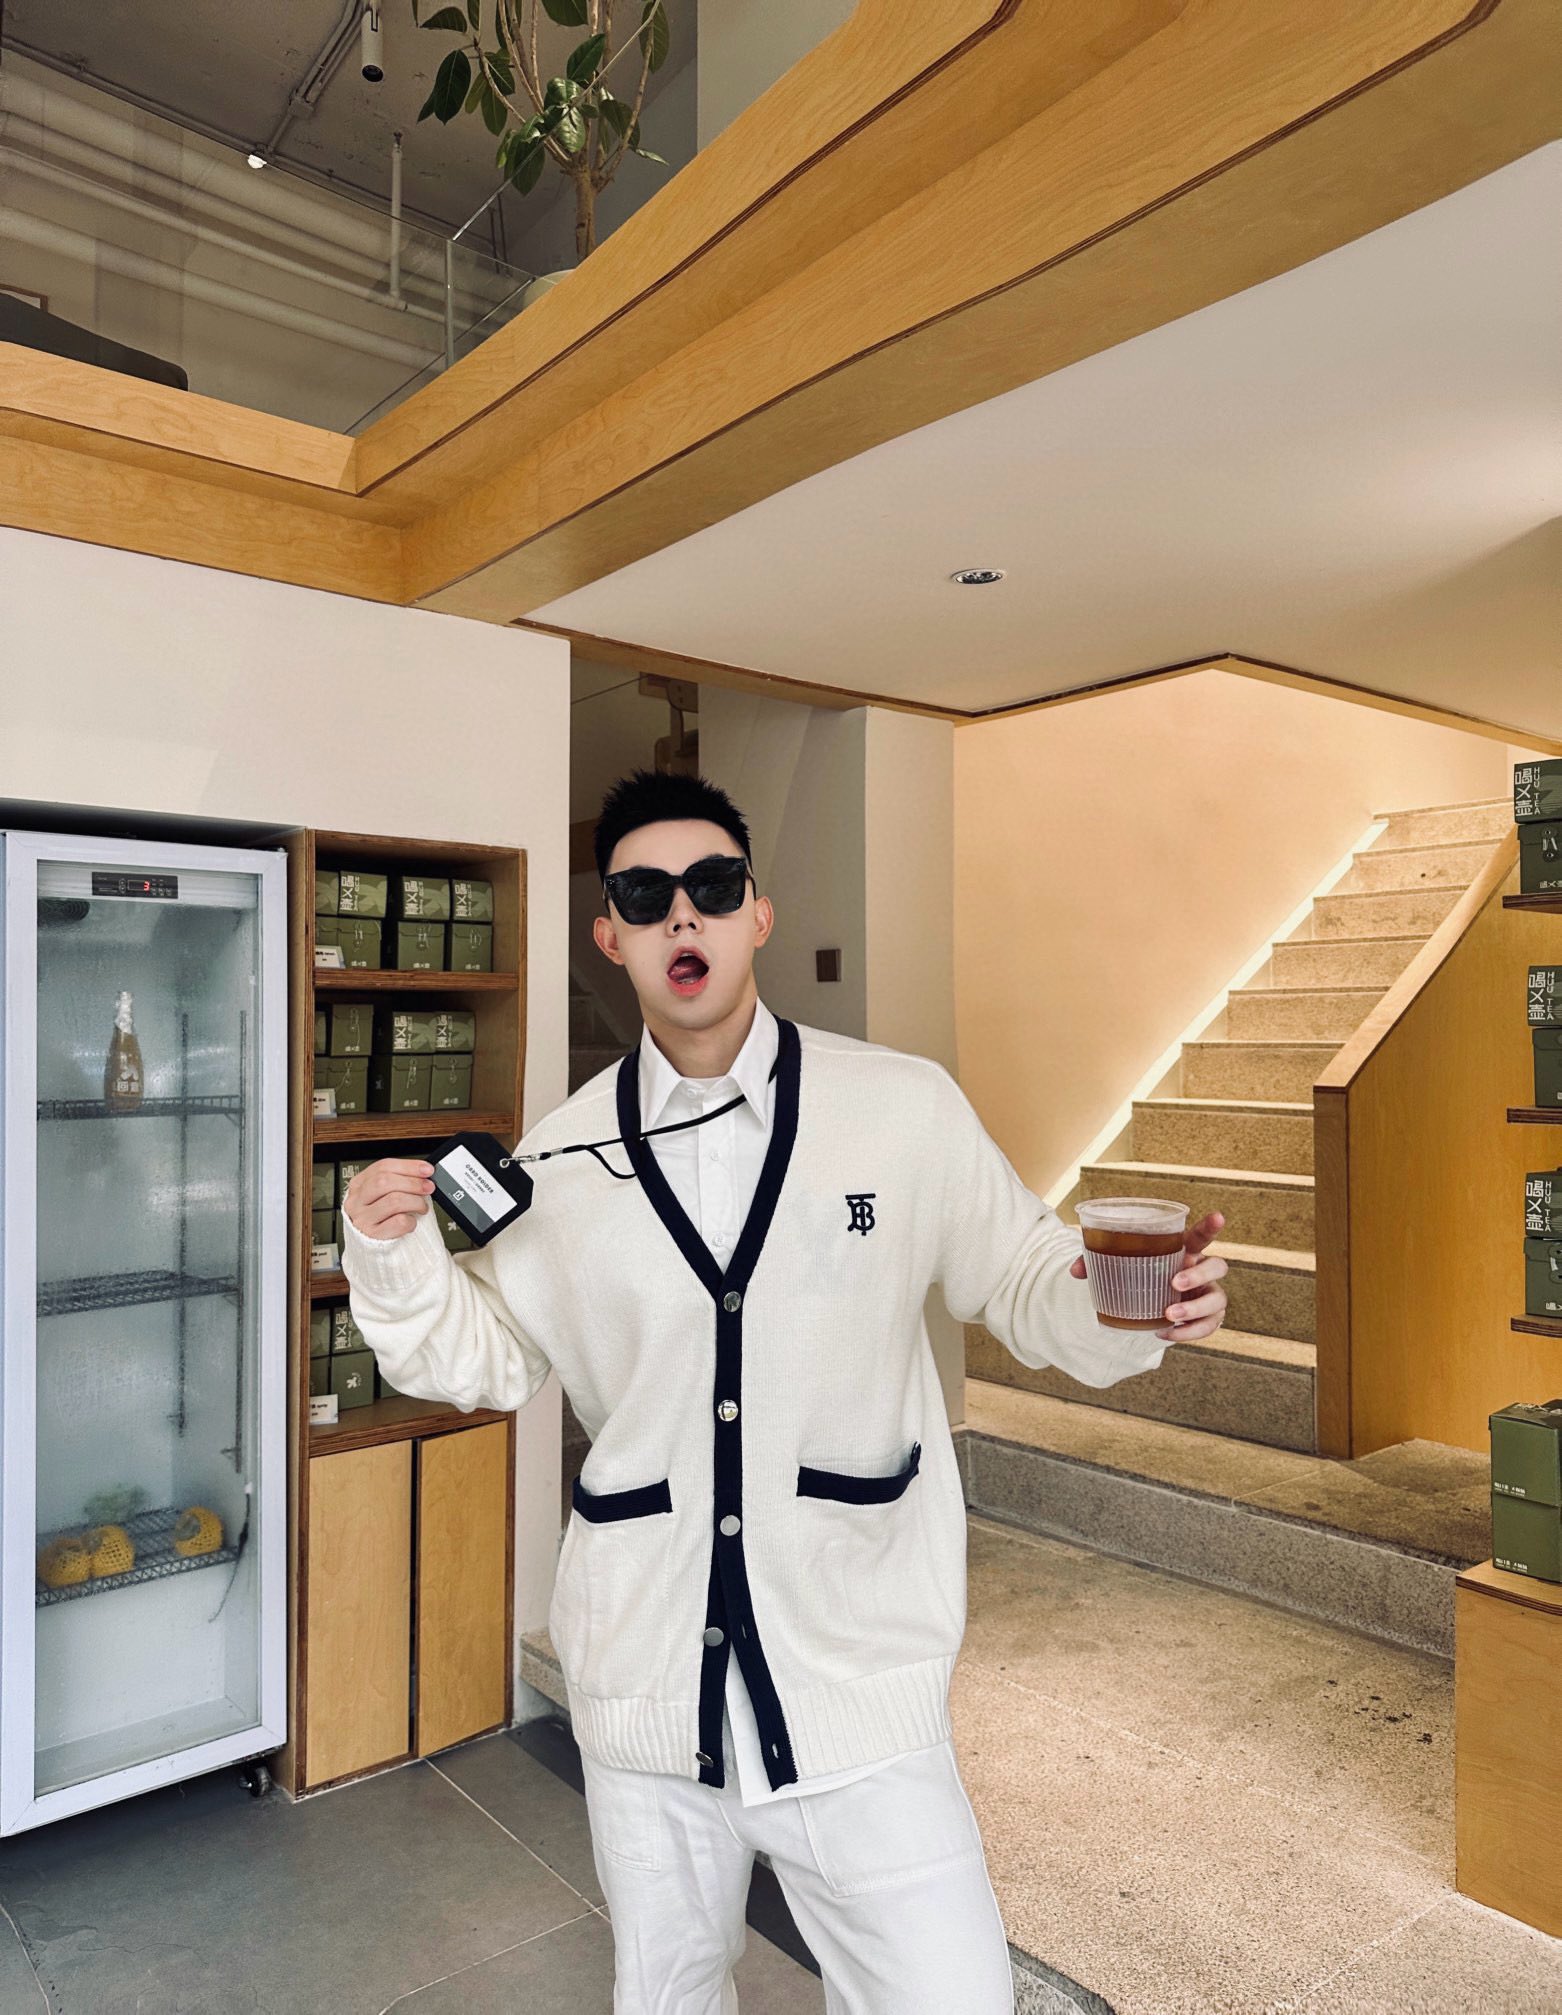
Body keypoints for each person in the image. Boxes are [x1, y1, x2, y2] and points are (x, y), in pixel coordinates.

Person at [341, 769, 1229, 2015]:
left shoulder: (899, 1109)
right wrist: (388, 1256)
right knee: (667, 1994)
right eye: (645, 895)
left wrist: (1127, 1304)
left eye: (712, 887)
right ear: (610, 936)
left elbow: (1026, 1276)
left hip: (857, 1683)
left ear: (757, 912)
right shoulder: (559, 1161)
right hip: (646, 1691)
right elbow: (477, 1360)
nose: (681, 915)